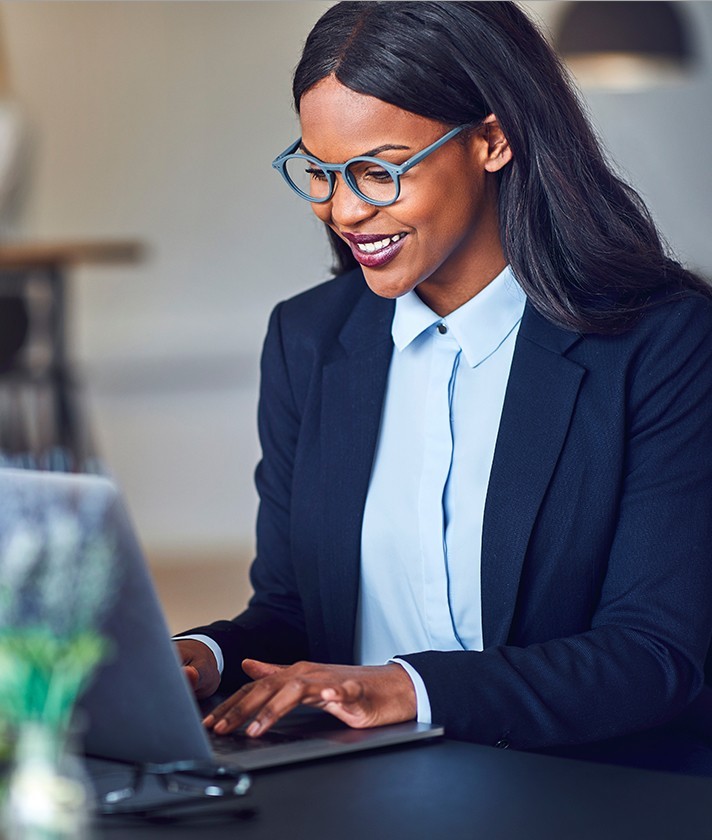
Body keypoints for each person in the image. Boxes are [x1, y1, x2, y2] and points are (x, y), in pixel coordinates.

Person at [176, 1, 712, 772]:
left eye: (380, 170)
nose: (346, 210)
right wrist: (200, 656)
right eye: (320, 172)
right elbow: (296, 614)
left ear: (493, 140)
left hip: (584, 785)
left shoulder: (659, 342)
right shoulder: (309, 340)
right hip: (355, 782)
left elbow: (652, 656)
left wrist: (410, 689)